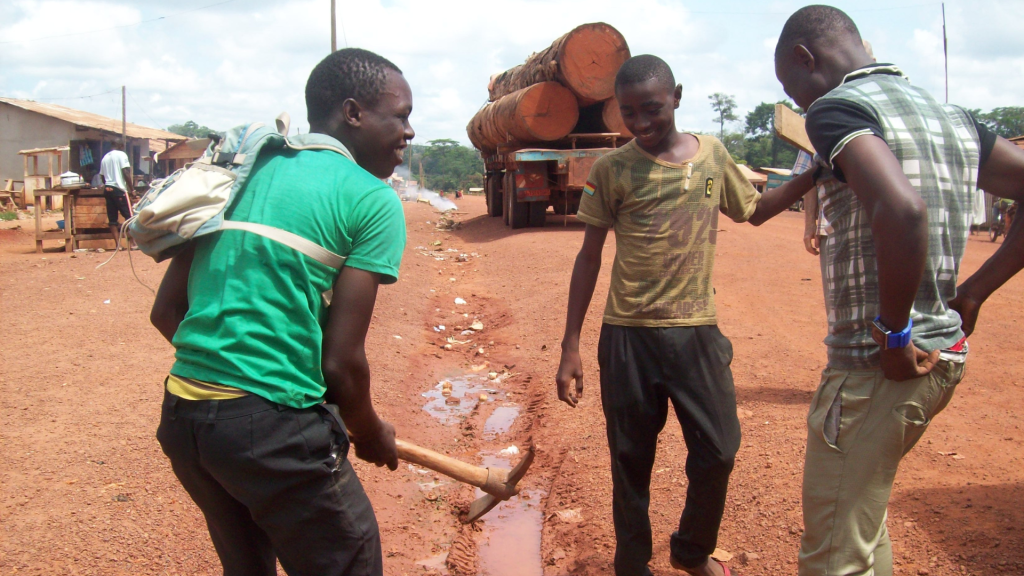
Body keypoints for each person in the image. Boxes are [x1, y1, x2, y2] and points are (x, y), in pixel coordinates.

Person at [773, 5, 1024, 575]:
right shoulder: (954, 117)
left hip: (878, 367)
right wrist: (976, 291)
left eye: (794, 89)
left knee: (835, 555)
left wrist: (893, 332)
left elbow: (903, 209)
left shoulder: (839, 110)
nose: (802, 105)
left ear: (804, 59)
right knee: (860, 523)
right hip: (944, 358)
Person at [149, 47, 414, 576]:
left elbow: (167, 312)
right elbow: (342, 365)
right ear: (353, 112)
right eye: (401, 115)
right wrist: (369, 431)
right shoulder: (371, 198)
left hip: (186, 421)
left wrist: (229, 382)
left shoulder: (246, 171)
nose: (409, 131)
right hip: (271, 434)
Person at [555, 54, 814, 576]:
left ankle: (692, 550)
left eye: (652, 108)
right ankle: (631, 564)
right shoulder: (613, 169)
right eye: (629, 113)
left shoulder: (713, 156)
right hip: (627, 336)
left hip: (696, 333)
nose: (642, 122)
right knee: (630, 463)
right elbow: (589, 257)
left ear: (677, 96)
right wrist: (570, 346)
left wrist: (817, 174)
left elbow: (756, 210)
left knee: (718, 451)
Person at [99, 141, 133, 244]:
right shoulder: (121, 155)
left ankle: (118, 245)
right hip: (119, 189)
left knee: (112, 219)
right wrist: (132, 189)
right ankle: (132, 243)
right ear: (121, 146)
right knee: (129, 217)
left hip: (108, 189)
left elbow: (102, 175)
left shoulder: (105, 157)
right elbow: (125, 172)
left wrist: (108, 184)